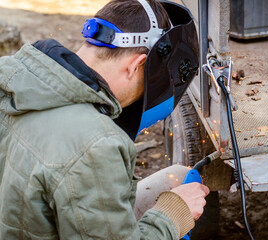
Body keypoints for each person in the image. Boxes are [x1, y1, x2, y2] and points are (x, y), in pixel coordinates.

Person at [0, 0, 209, 239]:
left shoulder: (13, 76)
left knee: (179, 175)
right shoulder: (96, 144)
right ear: (137, 65)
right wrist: (174, 214)